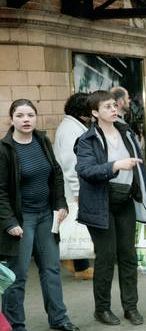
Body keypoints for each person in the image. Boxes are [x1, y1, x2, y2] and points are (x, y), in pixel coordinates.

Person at [0, 99, 79, 331]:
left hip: (46, 216)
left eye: (30, 115)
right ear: (11, 119)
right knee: (18, 275)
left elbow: (55, 173)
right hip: (21, 222)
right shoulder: (4, 149)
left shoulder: (42, 140)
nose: (26, 120)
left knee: (52, 268)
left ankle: (58, 317)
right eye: (21, 115)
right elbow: (0, 190)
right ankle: (15, 327)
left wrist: (61, 203)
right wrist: (10, 222)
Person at [76, 90, 146, 327]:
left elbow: (139, 168)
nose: (113, 110)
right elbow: (86, 171)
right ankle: (102, 309)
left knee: (128, 255)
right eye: (107, 107)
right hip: (101, 203)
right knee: (106, 257)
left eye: (113, 105)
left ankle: (131, 307)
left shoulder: (126, 132)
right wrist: (115, 165)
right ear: (95, 113)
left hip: (125, 200)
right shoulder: (87, 140)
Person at [54, 92, 94, 280]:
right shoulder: (72, 129)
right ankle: (81, 265)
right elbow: (71, 162)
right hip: (73, 189)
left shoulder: (72, 126)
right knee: (76, 227)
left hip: (72, 187)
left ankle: (77, 263)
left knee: (74, 226)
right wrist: (79, 191)